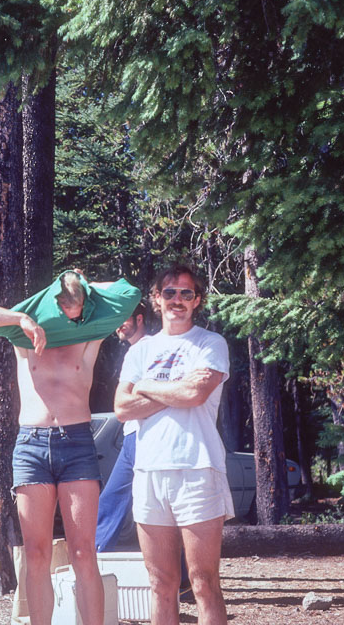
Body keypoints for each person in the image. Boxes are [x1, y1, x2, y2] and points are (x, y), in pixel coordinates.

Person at [0, 270, 140, 625]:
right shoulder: (22, 333)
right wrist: (20, 317)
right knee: (37, 553)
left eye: (78, 308)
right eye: (65, 309)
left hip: (76, 443)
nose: (70, 317)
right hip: (31, 445)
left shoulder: (91, 330)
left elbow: (129, 293)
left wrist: (84, 283)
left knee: (83, 552)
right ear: (53, 303)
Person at [114, 264, 234, 625]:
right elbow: (121, 408)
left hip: (198, 469)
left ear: (197, 300)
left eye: (186, 293)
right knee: (161, 583)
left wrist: (146, 386)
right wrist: (176, 389)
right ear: (156, 299)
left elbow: (196, 394)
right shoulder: (139, 351)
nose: (177, 300)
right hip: (149, 473)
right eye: (169, 293)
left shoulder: (210, 343)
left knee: (203, 582)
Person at [94, 301, 148, 552]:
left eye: (124, 319)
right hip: (132, 437)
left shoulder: (148, 348)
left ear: (139, 319)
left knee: (150, 507)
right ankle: (93, 558)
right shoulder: (133, 351)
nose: (119, 326)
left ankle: (182, 581)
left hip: (144, 436)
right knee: (112, 499)